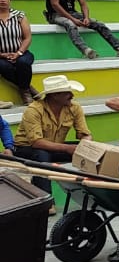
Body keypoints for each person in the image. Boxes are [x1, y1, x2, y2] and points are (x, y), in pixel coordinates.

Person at [13, 75, 91, 205]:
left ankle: (93, 194)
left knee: (90, 151)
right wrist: (67, 148)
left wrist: (86, 144)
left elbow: (84, 133)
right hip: (26, 148)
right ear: (55, 95)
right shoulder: (33, 110)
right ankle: (46, 202)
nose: (72, 95)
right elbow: (36, 142)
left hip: (54, 146)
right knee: (42, 156)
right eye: (67, 92)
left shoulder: (75, 108)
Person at [0, 0, 37, 104]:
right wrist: (3, 55)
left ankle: (25, 91)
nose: (2, 0)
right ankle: (27, 89)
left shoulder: (19, 15)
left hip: (22, 52)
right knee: (4, 67)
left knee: (23, 63)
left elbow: (27, 37)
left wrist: (18, 53)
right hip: (1, 56)